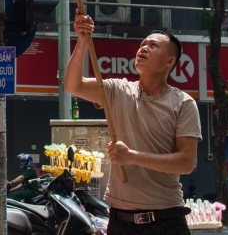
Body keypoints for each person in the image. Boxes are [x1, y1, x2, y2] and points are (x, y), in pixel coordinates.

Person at [65, 15, 201, 235]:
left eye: (153, 46)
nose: (144, 48)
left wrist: (132, 156)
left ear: (169, 62)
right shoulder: (117, 90)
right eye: (142, 44)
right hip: (121, 220)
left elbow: (185, 162)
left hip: (166, 219)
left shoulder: (183, 103)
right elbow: (73, 85)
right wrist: (81, 40)